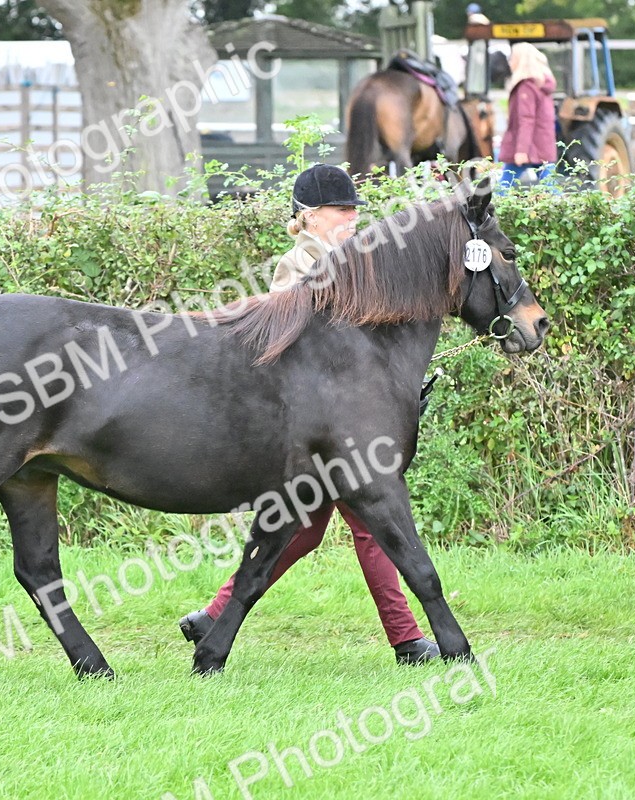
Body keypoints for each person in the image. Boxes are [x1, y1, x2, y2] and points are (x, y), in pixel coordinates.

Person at [178, 164, 441, 666]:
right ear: (311, 216)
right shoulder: (298, 266)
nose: (353, 218)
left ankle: (215, 617)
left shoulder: (351, 262)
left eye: (354, 210)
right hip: (310, 427)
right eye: (342, 210)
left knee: (305, 529)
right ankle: (407, 641)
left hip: (334, 426)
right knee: (369, 525)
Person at [499, 42, 558, 187]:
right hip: (543, 146)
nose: (510, 62)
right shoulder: (541, 85)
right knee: (551, 190)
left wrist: (521, 150)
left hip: (527, 147)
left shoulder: (526, 87)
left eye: (512, 57)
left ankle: (493, 210)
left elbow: (526, 120)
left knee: (503, 188)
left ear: (521, 60)